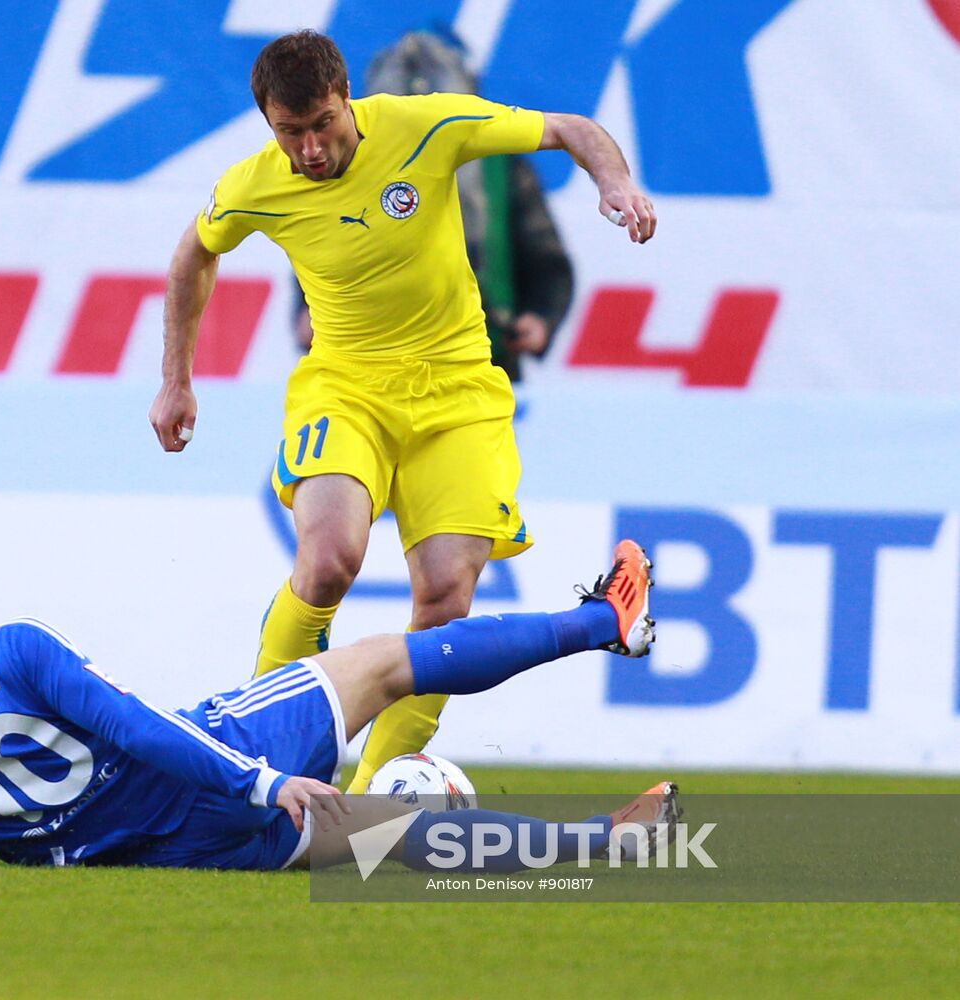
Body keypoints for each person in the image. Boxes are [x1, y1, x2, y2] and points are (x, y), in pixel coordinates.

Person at [147, 30, 655, 794]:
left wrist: (616, 184)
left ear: (345, 99)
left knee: (446, 601)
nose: (311, 149)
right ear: (268, 123)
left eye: (322, 123)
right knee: (327, 563)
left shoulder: (426, 126)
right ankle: (254, 762)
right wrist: (175, 381)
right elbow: (194, 254)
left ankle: (366, 802)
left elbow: (568, 129)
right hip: (345, 390)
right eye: (291, 133)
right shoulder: (254, 183)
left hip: (458, 397)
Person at [0, 543, 664, 872]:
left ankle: (597, 845)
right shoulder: (14, 649)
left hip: (162, 854)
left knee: (382, 835)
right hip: (213, 769)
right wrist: (260, 771)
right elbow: (136, 725)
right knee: (381, 665)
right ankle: (598, 623)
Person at [294, 28, 575, 384]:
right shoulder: (345, 165)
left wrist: (540, 315)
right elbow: (319, 245)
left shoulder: (502, 167)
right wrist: (306, 308)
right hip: (371, 362)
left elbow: (546, 258)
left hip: (480, 357)